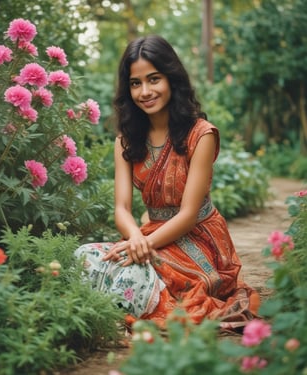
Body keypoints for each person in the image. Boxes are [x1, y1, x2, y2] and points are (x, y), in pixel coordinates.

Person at [75, 35, 259, 331]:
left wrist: (143, 245)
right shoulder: (126, 140)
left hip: (198, 239)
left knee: (131, 272)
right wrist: (135, 238)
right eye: (136, 83)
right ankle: (130, 302)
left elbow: (188, 215)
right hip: (148, 236)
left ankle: (128, 305)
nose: (145, 91)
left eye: (154, 79)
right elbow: (121, 208)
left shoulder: (201, 134)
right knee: (82, 257)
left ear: (172, 78)